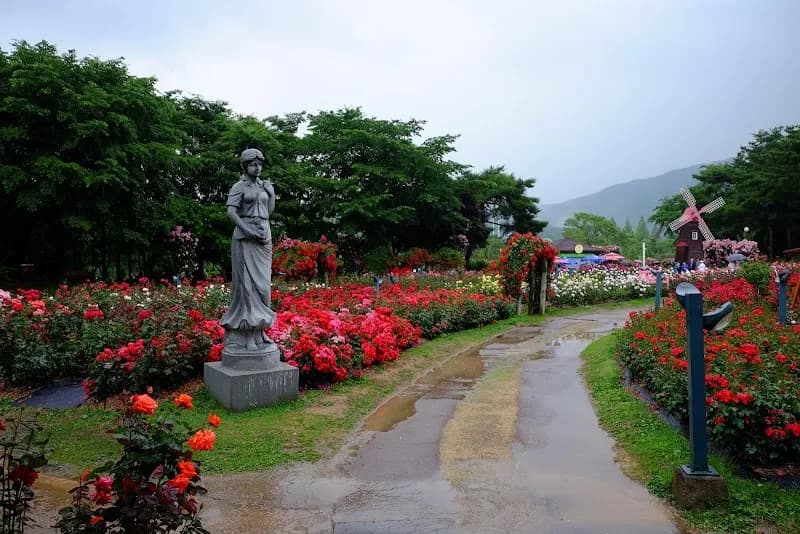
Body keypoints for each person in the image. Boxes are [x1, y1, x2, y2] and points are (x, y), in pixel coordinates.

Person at [220, 148, 277, 351]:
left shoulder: (263, 186)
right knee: (248, 287)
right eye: (253, 164)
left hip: (263, 235)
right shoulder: (239, 186)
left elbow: (268, 212)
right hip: (245, 236)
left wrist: (271, 195)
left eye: (259, 164)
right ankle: (247, 335)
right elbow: (231, 212)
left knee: (264, 288)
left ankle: (260, 332)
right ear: (245, 166)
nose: (257, 168)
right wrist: (247, 230)